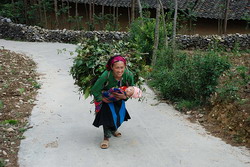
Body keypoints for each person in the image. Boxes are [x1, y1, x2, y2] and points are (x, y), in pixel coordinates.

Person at [91, 55, 135, 149]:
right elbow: (95, 90)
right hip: (106, 98)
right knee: (107, 117)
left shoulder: (128, 75)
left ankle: (114, 129)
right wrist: (102, 99)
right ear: (112, 67)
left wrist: (125, 96)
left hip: (119, 98)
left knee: (119, 115)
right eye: (117, 68)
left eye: (122, 67)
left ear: (125, 67)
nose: (119, 71)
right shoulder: (106, 75)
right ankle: (106, 138)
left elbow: (132, 88)